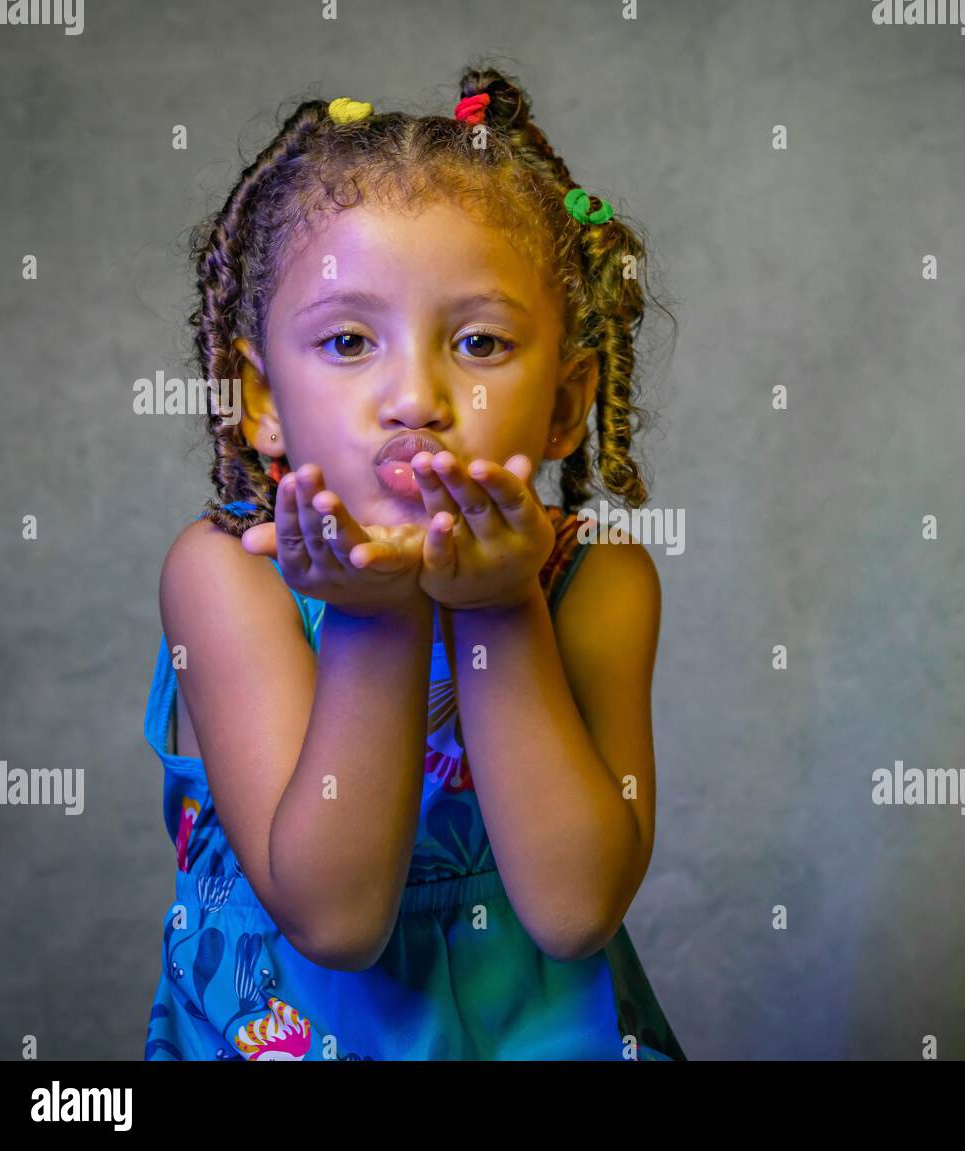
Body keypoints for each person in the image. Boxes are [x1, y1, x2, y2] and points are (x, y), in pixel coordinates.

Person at [142, 63, 686, 1061]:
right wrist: (373, 616)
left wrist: (499, 608)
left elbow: (574, 911)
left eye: (479, 341)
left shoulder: (596, 581)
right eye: (349, 340)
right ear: (258, 400)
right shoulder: (227, 577)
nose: (414, 395)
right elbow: (336, 920)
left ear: (566, 402)